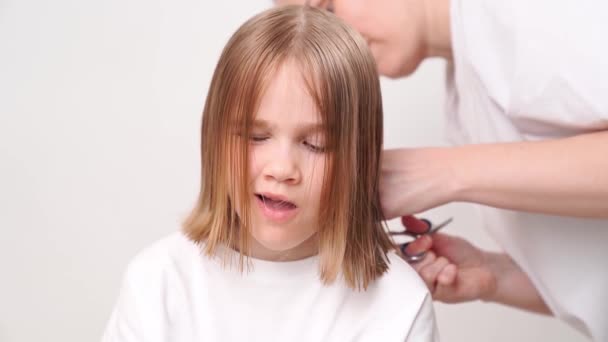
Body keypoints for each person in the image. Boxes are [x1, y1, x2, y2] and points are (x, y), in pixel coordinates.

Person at [273, 0, 608, 341]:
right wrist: (494, 275)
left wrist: (442, 172)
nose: (332, 42)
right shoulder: (466, 97)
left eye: (328, 10)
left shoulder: (521, 14)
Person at [102, 5, 439, 342]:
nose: (282, 170)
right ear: (213, 138)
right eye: (256, 137)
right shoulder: (157, 283)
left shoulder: (398, 304)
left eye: (315, 144)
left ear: (359, 157)